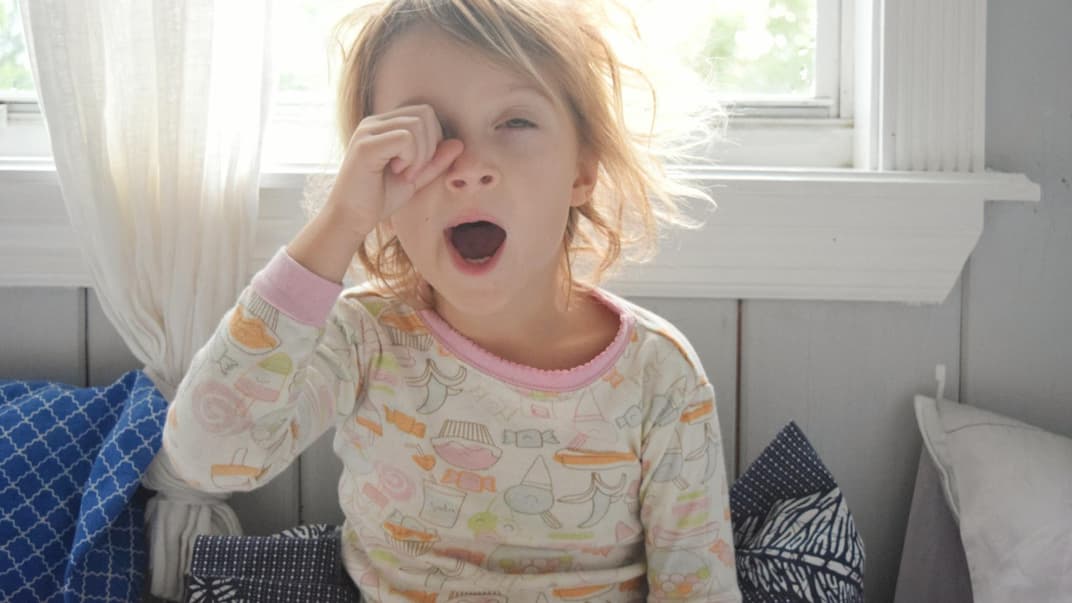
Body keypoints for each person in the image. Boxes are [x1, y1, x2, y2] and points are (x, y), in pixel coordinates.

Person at [163, 0, 742, 601]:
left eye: (515, 123)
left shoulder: (660, 376)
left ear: (582, 172)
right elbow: (206, 457)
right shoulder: (364, 338)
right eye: (429, 134)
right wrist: (342, 219)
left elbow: (698, 590)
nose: (469, 169)